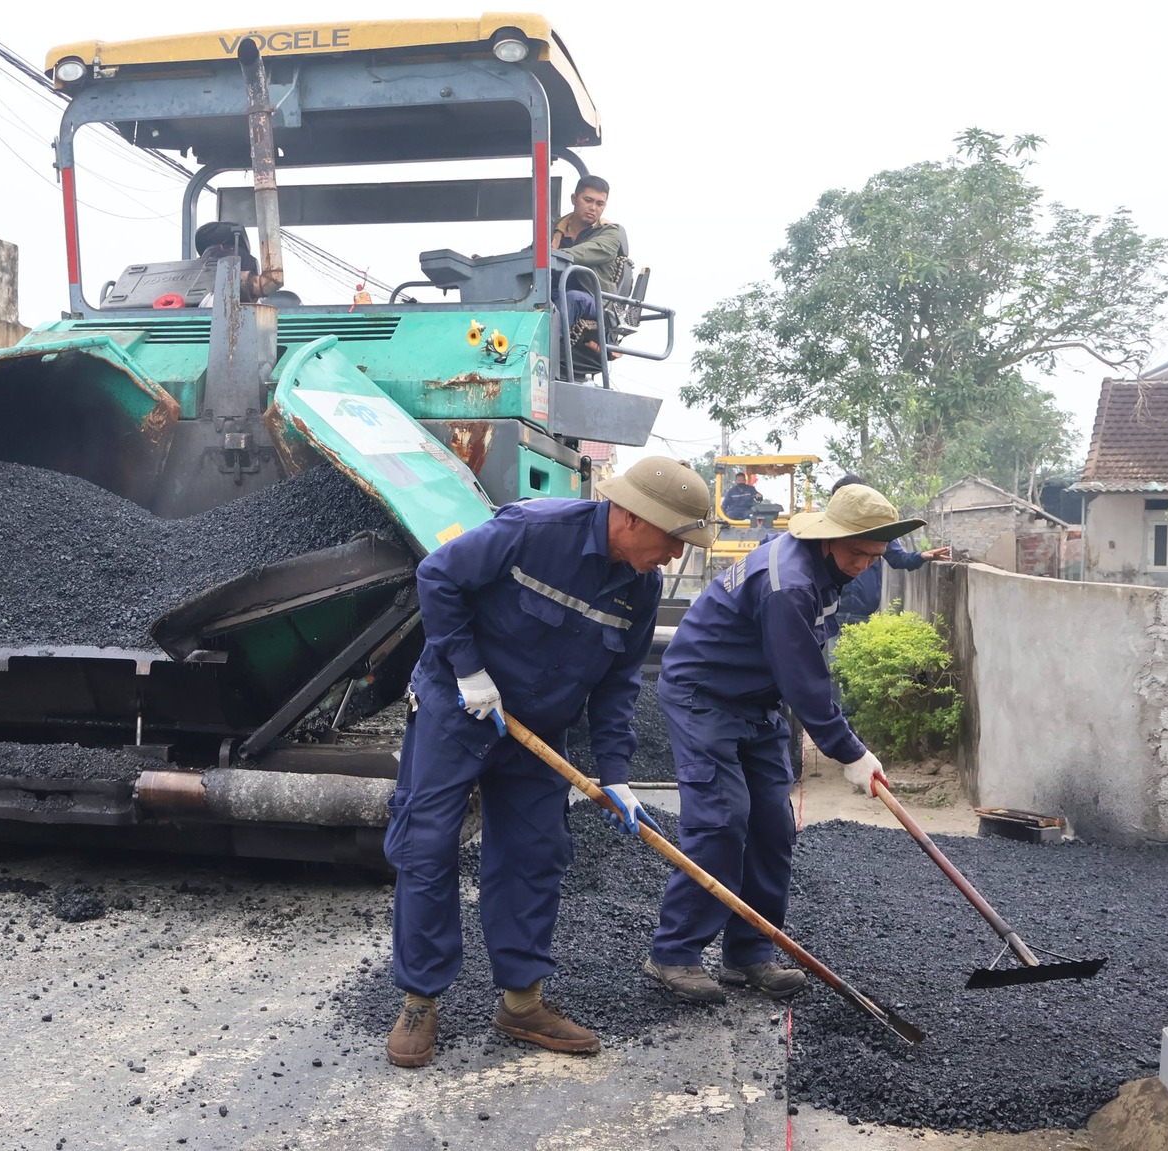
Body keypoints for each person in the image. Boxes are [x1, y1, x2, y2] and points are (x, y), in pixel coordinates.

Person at [383, 457, 715, 1068]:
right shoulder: (534, 530)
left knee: (535, 854)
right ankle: (420, 999)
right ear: (634, 518)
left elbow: (618, 684)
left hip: (537, 730)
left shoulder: (640, 589)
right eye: (673, 539)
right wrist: (466, 668)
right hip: (457, 710)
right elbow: (438, 577)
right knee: (427, 847)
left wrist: (615, 772)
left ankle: (521, 1001)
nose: (674, 556)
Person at [642, 483, 923, 1005]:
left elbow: (804, 670)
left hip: (755, 701)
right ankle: (674, 953)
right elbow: (804, 679)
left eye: (875, 555)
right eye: (858, 552)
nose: (865, 564)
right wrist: (849, 751)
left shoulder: (828, 569)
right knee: (724, 820)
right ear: (829, 538)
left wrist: (843, 741)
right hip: (704, 694)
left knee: (773, 826)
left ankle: (749, 953)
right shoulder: (789, 583)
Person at [828, 473, 952, 627]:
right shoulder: (830, 531)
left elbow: (898, 559)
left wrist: (922, 556)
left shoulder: (880, 531)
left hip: (863, 614)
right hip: (833, 612)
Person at [550, 175, 625, 366]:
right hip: (553, 294)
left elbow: (585, 253)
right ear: (574, 199)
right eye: (588, 200)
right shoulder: (553, 232)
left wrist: (551, 255)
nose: (593, 208)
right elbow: (530, 254)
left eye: (600, 203)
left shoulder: (610, 233)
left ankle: (543, 352)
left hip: (594, 300)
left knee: (573, 298)